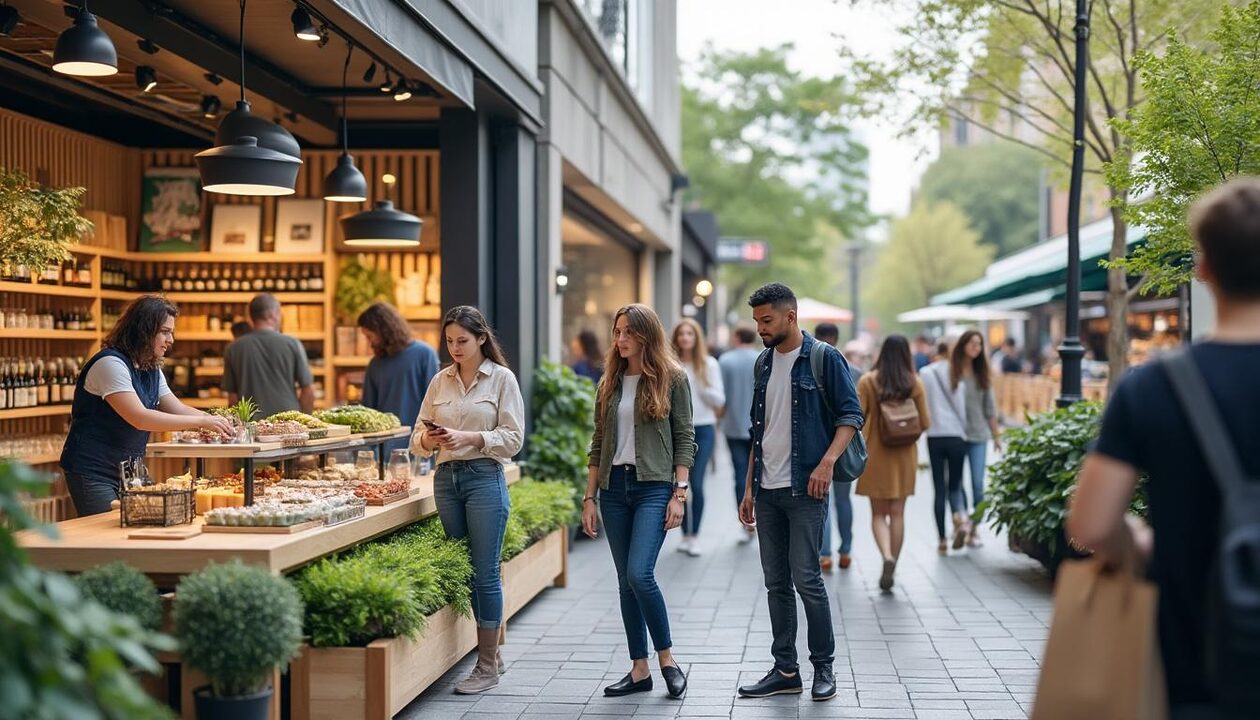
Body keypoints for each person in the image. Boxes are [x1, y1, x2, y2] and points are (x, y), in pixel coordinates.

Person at [1068, 179, 1260, 719]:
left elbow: (1090, 526)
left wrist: (1147, 539)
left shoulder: (1157, 386)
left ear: (1204, 268)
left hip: (1195, 667)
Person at [736, 283, 862, 703]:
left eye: (766, 320)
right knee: (776, 583)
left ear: (790, 316)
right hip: (767, 491)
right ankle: (785, 669)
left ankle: (823, 667)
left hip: (806, 487)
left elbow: (850, 416)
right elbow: (761, 431)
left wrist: (826, 463)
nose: (760, 329)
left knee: (807, 579)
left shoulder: (824, 359)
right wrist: (749, 487)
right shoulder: (763, 364)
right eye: (756, 322)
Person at [581, 304, 694, 699]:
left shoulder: (673, 379)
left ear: (647, 335)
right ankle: (639, 669)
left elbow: (685, 438)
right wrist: (589, 496)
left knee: (639, 574)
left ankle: (667, 659)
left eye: (629, 331)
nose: (621, 339)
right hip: (613, 490)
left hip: (654, 487)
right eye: (617, 331)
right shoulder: (609, 381)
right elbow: (597, 444)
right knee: (625, 582)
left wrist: (679, 493)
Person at [412, 306, 524, 694]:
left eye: (462, 340)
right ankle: (491, 654)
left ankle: (487, 665)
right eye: (449, 341)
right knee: (464, 568)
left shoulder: (501, 379)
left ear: (480, 338)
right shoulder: (439, 381)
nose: (455, 348)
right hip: (446, 480)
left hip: (484, 479)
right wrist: (432, 438)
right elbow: (416, 440)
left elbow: (514, 438)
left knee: (485, 571)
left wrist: (471, 438)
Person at [59, 296, 237, 516]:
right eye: (164, 331)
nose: (170, 339)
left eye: (171, 332)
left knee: (142, 527)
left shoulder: (151, 368)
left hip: (131, 471)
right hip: (94, 471)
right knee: (107, 538)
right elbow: (140, 418)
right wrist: (202, 421)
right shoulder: (110, 364)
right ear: (142, 330)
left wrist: (217, 421)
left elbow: (176, 408)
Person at [856, 335, 929, 591]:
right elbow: (926, 422)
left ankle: (885, 554)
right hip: (905, 455)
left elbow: (857, 418)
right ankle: (893, 563)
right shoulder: (915, 383)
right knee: (898, 513)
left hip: (876, 452)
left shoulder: (867, 381)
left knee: (878, 514)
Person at [670, 318, 724, 557]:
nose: (685, 338)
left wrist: (701, 386)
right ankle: (684, 534)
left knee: (698, 484)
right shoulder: (671, 365)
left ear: (696, 338)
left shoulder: (709, 365)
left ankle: (694, 535)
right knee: (680, 484)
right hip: (677, 432)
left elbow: (719, 400)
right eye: (681, 334)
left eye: (689, 334)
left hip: (703, 429)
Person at [358, 302, 439, 454]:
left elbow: (436, 405)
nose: (369, 343)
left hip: (421, 449)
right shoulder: (375, 365)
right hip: (383, 454)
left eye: (370, 337)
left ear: (383, 330)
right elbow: (368, 413)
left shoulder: (424, 355)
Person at [223, 293, 314, 418]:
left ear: (251, 316)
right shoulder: (292, 344)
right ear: (273, 315)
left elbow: (233, 398)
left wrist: (237, 426)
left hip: (252, 426)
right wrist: (305, 420)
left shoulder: (233, 348)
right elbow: (307, 390)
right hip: (289, 424)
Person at [921, 337, 969, 554]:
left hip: (935, 435)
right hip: (956, 435)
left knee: (939, 487)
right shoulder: (958, 372)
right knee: (956, 484)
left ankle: (941, 540)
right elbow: (962, 407)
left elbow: (923, 404)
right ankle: (958, 516)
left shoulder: (926, 373)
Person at [954, 330, 1002, 547]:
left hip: (978, 435)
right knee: (956, 483)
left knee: (977, 484)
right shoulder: (951, 373)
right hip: (955, 435)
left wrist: (997, 436)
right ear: (963, 345)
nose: (976, 347)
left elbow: (990, 409)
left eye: (979, 344)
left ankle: (973, 527)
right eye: (972, 343)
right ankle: (962, 522)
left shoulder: (983, 375)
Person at [814, 323, 855, 573]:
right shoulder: (855, 370)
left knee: (823, 500)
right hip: (846, 445)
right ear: (837, 338)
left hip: (820, 445)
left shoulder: (811, 367)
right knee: (843, 499)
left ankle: (825, 553)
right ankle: (846, 549)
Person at [718, 324, 760, 544]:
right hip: (759, 427)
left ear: (736, 337)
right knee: (759, 473)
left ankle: (746, 522)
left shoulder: (725, 361)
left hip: (733, 426)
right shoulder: (762, 357)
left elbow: (721, 395)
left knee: (740, 474)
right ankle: (761, 517)